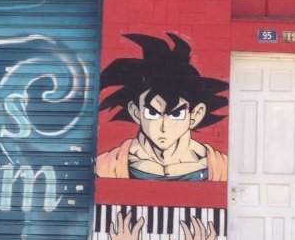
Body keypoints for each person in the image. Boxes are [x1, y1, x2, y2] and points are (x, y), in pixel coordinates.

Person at [94, 32, 228, 181]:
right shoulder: (106, 167)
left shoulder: (220, 168)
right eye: (152, 113)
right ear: (136, 112)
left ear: (196, 115)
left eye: (176, 114)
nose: (163, 127)